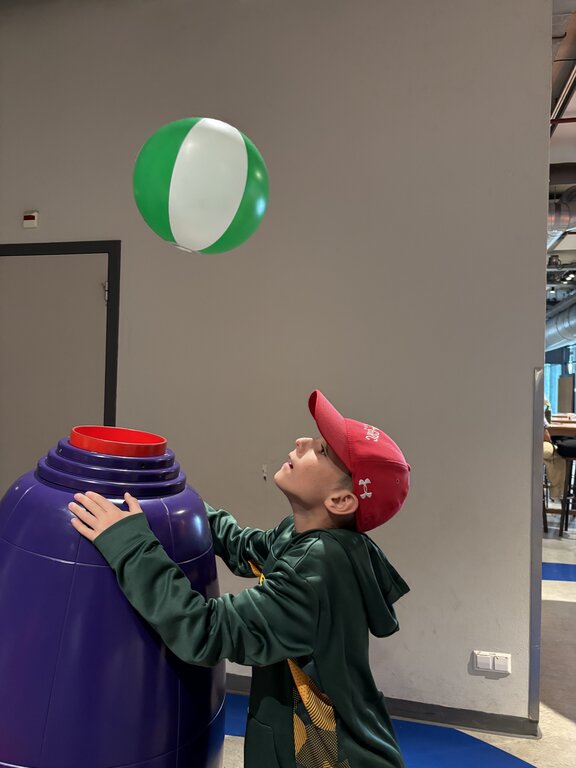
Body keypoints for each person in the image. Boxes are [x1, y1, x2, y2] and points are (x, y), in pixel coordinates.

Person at [68, 390, 411, 768]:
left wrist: (130, 545)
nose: (302, 441)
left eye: (323, 450)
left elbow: (204, 630)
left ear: (342, 501)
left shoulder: (318, 566)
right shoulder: (309, 542)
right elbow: (242, 545)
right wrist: (174, 505)